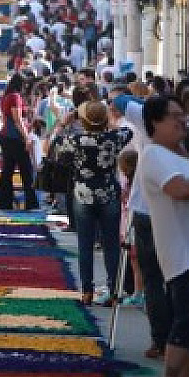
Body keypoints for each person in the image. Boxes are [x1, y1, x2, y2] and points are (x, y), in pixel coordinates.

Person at [137, 94, 189, 377]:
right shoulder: (154, 155)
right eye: (174, 116)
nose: (182, 121)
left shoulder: (185, 155)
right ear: (155, 122)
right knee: (185, 320)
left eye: (182, 114)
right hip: (181, 252)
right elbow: (181, 190)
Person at [52, 101, 132, 305]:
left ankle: (87, 291)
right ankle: (114, 292)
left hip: (83, 195)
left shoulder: (75, 140)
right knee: (111, 245)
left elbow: (53, 146)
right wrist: (107, 123)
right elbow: (128, 132)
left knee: (85, 244)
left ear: (83, 121)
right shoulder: (114, 138)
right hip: (108, 194)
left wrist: (64, 122)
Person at [0, 73, 39, 209]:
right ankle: (31, 203)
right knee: (26, 171)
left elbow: (7, 118)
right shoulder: (15, 97)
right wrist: (26, 138)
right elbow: (18, 120)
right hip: (15, 138)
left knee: (8, 171)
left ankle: (4, 202)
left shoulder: (7, 96)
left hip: (7, 136)